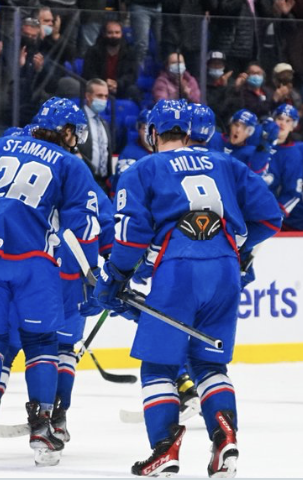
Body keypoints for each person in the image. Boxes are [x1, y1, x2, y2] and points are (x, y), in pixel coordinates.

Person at [94, 100, 282, 476]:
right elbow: (270, 216)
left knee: (158, 366)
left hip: (179, 270)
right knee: (209, 362)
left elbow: (131, 238)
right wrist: (238, 251)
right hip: (226, 271)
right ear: (192, 133)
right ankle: (225, 436)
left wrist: (115, 278)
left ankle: (165, 447)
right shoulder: (225, 162)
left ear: (152, 133)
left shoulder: (142, 169)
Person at [0, 96, 100, 465]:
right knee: (42, 343)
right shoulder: (71, 164)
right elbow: (84, 229)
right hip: (33, 260)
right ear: (65, 131)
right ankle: (42, 428)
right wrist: (90, 276)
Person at [81, 20, 141, 103]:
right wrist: (104, 83)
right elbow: (89, 73)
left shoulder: (130, 52)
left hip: (120, 88)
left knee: (133, 90)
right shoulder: (93, 51)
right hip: (98, 88)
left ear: (121, 34)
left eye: (117, 33)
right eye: (110, 33)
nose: (114, 36)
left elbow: (132, 75)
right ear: (104, 34)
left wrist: (118, 84)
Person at [264, 103, 303, 218]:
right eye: (280, 118)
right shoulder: (256, 141)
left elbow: (292, 193)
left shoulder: (293, 155)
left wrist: (277, 213)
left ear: (293, 126)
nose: (283, 123)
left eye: (288, 121)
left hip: (265, 209)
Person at [78, 78, 113, 192]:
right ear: (88, 96)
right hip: (83, 181)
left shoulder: (104, 123)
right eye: (99, 96)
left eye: (106, 96)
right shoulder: (77, 120)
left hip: (103, 184)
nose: (103, 100)